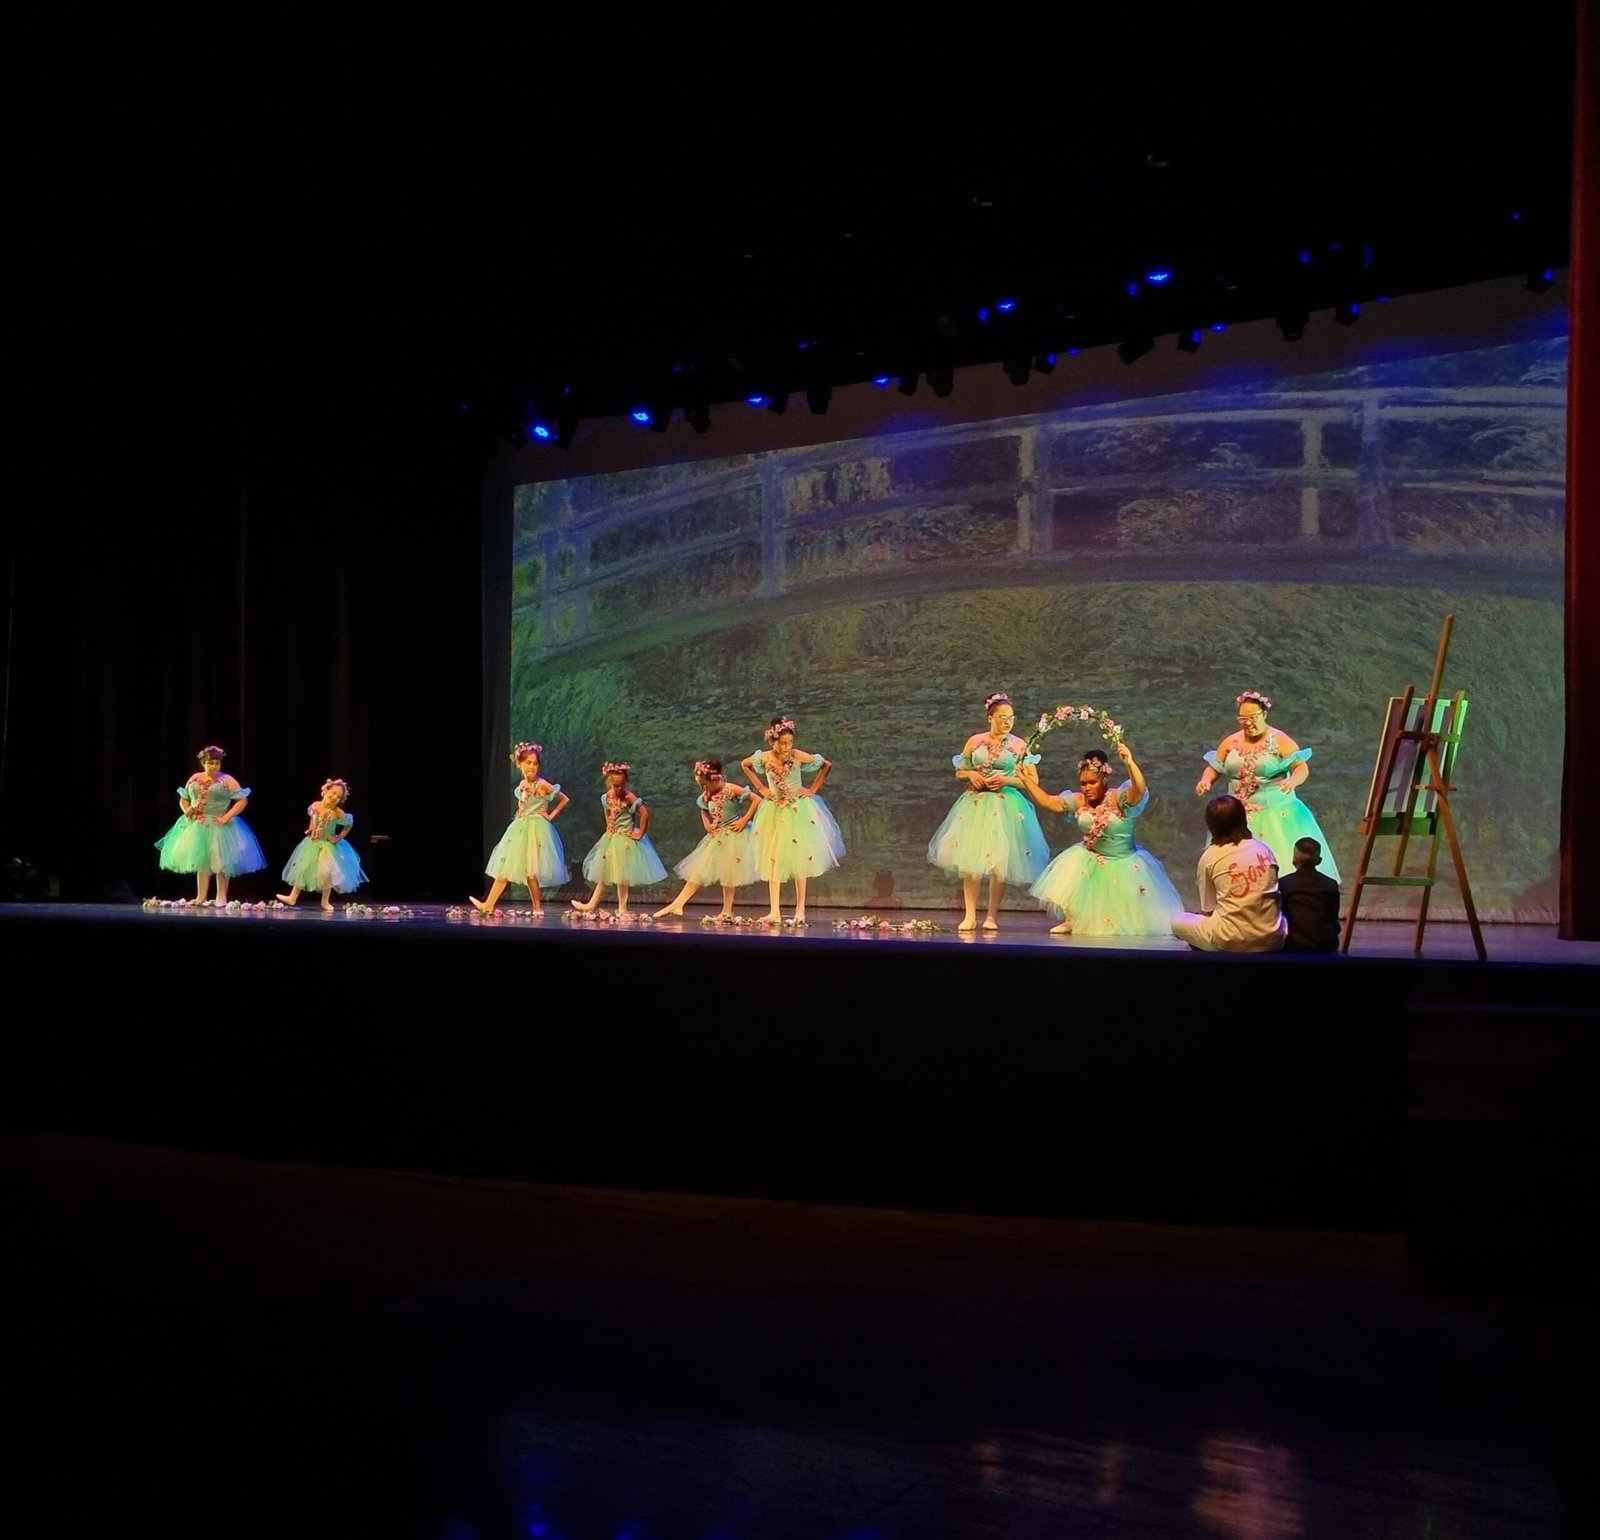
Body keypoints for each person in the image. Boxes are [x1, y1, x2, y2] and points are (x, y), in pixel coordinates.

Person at [1021, 743, 1184, 936]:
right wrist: (1025, 780)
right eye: (1083, 784)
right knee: (1076, 868)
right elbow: (1048, 802)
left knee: (1130, 915)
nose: (1087, 788)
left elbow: (1139, 790)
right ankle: (1073, 919)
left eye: (1092, 783)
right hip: (1092, 857)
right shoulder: (1079, 800)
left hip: (1123, 860)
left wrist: (1130, 763)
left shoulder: (1119, 798)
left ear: (1104, 779)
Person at [927, 692, 1051, 933]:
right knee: (970, 860)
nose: (1007, 722)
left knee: (999, 863)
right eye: (1002, 717)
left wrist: (1006, 779)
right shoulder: (975, 741)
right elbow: (960, 771)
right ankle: (970, 915)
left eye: (1011, 718)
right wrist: (971, 774)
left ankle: (992, 915)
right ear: (990, 717)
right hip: (976, 803)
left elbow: (1032, 780)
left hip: (1006, 804)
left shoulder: (1020, 745)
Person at [1195, 690, 1340, 882]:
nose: (1247, 723)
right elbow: (1214, 767)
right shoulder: (1231, 742)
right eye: (1242, 719)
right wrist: (1206, 780)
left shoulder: (1279, 740)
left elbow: (1300, 768)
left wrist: (1291, 781)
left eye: (1253, 717)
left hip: (1275, 813)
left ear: (1264, 714)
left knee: (1276, 868)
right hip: (1237, 817)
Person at [741, 716, 844, 925]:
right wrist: (761, 788)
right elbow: (745, 764)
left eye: (790, 742)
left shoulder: (796, 756)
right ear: (772, 741)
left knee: (800, 860)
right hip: (774, 810)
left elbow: (825, 765)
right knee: (773, 858)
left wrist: (812, 789)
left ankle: (800, 910)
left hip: (797, 810)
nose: (787, 747)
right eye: (782, 743)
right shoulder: (764, 758)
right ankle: (774, 911)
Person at [1171, 794, 1287, 952]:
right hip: (1273, 939)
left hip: (1230, 940)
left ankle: (1206, 946)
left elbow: (1209, 908)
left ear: (1212, 825)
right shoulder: (1264, 849)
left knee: (1178, 922)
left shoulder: (1210, 856)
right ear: (1242, 819)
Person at [154, 744, 267, 903]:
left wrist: (226, 817)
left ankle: (221, 896)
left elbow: (242, 801)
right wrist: (187, 809)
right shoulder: (194, 778)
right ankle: (201, 896)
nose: (214, 766)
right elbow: (184, 798)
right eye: (210, 763)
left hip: (219, 824)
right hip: (197, 825)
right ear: (203, 763)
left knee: (221, 860)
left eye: (217, 763)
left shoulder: (227, 780)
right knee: (202, 861)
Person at [653, 759, 761, 918]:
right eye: (700, 785)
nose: (703, 788)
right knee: (698, 871)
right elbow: (703, 808)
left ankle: (726, 911)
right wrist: (707, 824)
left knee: (729, 874)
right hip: (717, 837)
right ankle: (677, 904)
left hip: (734, 835)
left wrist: (744, 820)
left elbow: (756, 800)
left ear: (715, 779)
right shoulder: (707, 795)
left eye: (704, 784)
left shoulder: (730, 789)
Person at [471, 742, 570, 917]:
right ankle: (488, 904)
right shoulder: (522, 784)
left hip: (535, 829)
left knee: (531, 872)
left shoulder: (542, 784)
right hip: (519, 828)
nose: (532, 766)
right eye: (528, 763)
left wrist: (550, 815)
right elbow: (523, 806)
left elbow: (564, 799)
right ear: (519, 764)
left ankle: (537, 907)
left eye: (535, 763)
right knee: (504, 867)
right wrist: (520, 814)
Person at [570, 761, 668, 915]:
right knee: (604, 874)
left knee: (622, 876)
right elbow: (607, 812)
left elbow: (645, 814)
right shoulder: (607, 797)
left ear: (626, 782)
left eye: (622, 785)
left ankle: (622, 907)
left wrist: (640, 833)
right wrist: (609, 825)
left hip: (625, 840)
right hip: (611, 838)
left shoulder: (629, 797)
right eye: (616, 786)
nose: (619, 789)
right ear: (609, 783)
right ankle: (590, 905)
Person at [277, 778, 368, 910]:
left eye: (338, 797)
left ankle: (325, 901)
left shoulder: (337, 812)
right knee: (303, 867)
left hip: (327, 845)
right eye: (333, 793)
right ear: (326, 791)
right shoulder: (315, 806)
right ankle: (292, 897)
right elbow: (313, 819)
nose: (334, 797)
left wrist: (338, 837)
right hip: (312, 843)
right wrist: (310, 829)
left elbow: (349, 824)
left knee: (327, 873)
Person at [1277, 836, 1342, 953]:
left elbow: (1279, 915)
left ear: (1294, 859)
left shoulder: (1283, 883)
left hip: (1293, 945)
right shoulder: (1330, 884)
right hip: (1325, 946)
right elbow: (1333, 916)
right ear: (1319, 860)